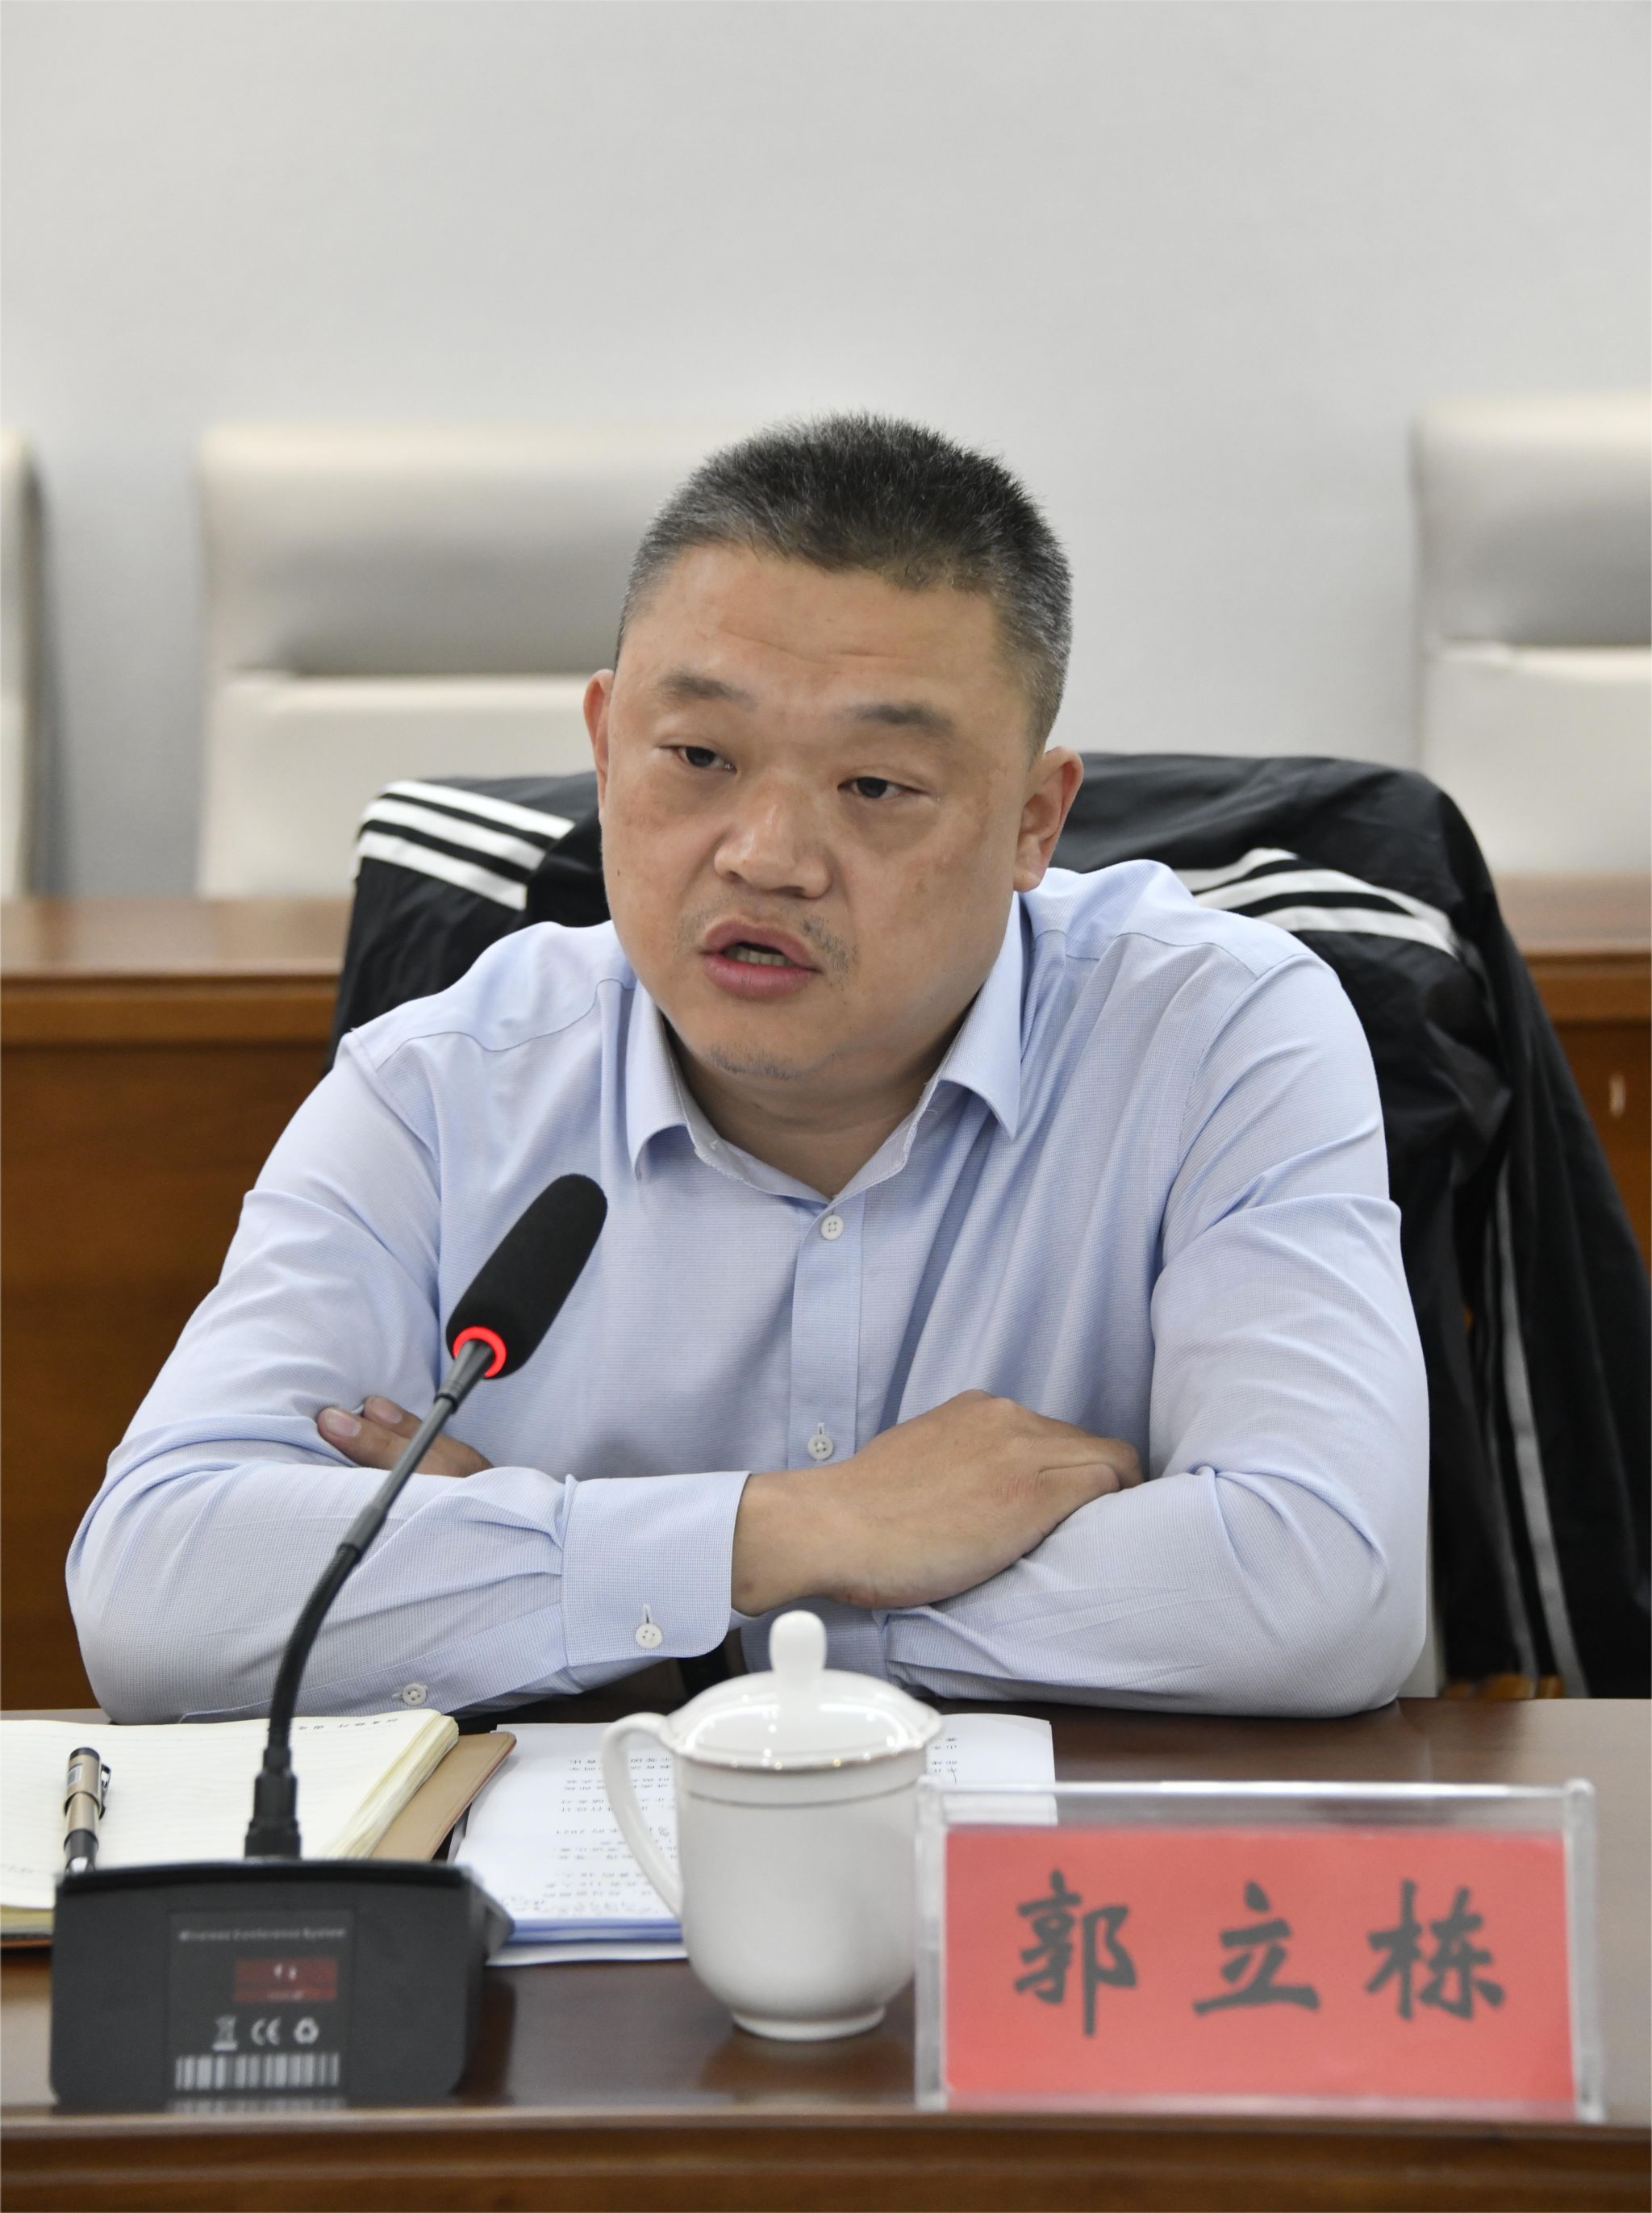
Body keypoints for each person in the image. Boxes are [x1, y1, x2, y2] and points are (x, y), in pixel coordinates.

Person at [69, 415, 1426, 1722]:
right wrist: (798, 1531)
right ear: (605, 748)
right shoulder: (440, 1087)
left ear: (1033, 821)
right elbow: (158, 1590)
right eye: (700, 757)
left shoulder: (1214, 1037)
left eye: (875, 786)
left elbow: (1321, 1587)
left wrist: (617, 1606)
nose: (767, 856)